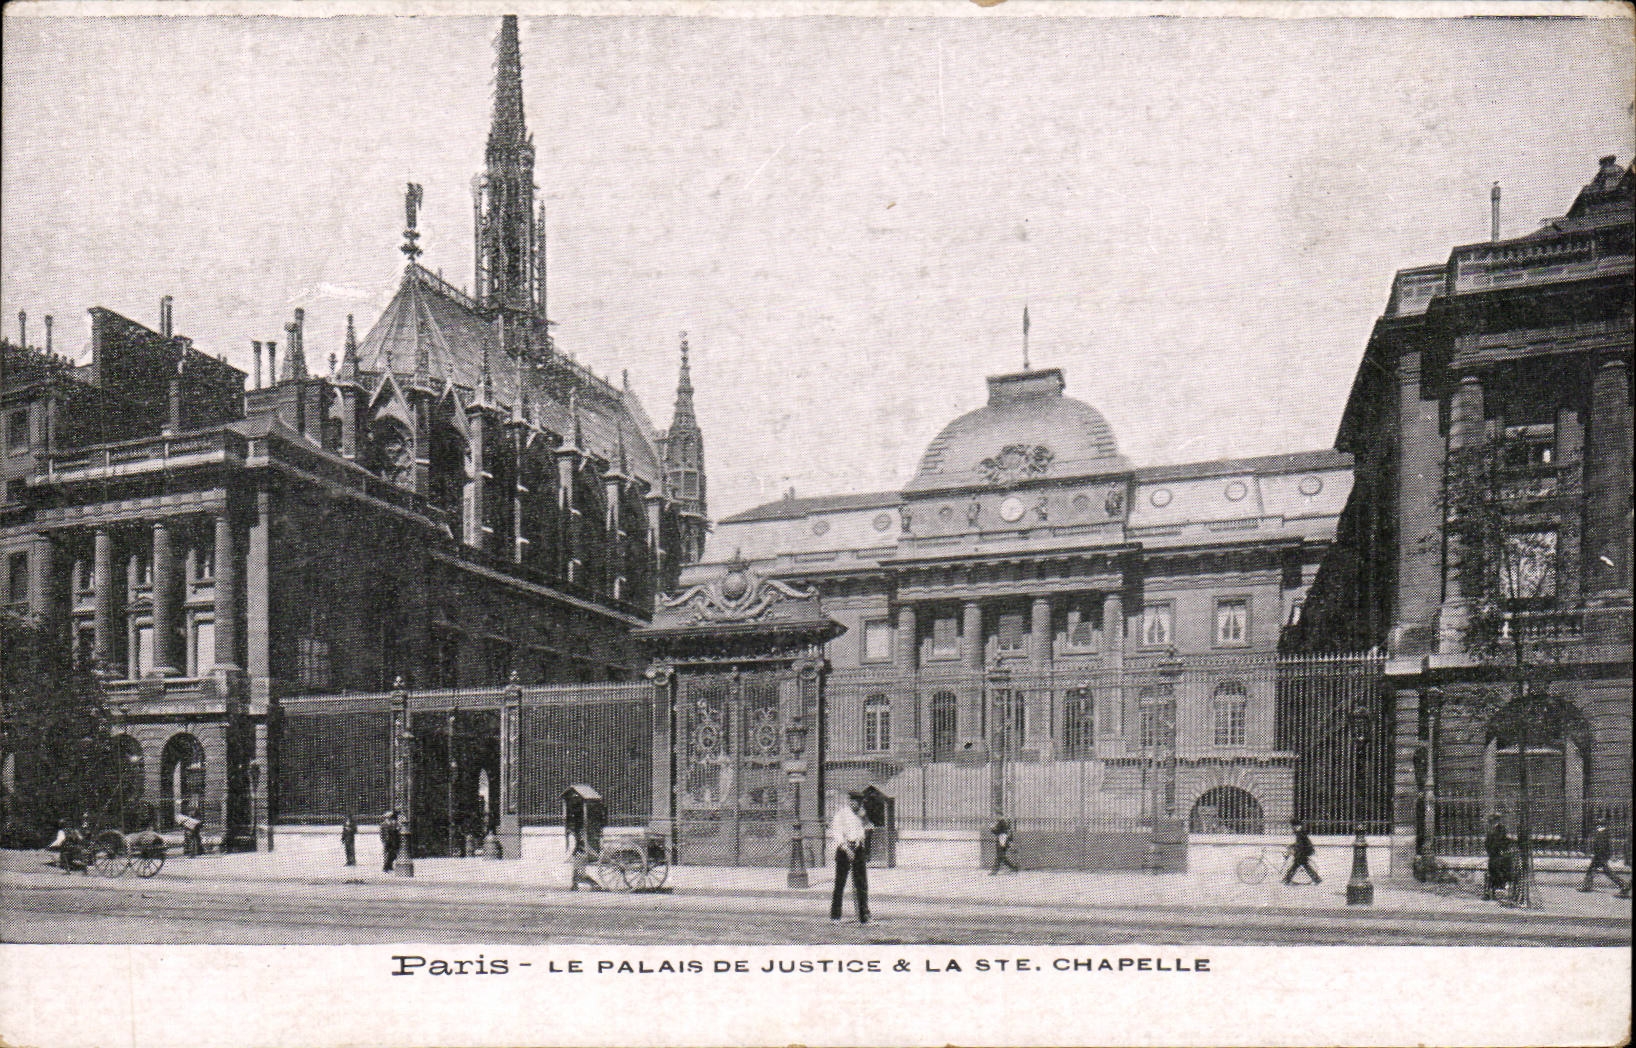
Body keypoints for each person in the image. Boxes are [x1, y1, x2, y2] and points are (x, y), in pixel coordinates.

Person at [829, 791, 871, 923]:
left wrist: (864, 819)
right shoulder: (842, 814)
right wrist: (847, 849)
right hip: (843, 850)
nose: (855, 804)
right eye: (853, 801)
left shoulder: (860, 815)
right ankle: (835, 916)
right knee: (840, 883)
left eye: (858, 802)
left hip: (857, 849)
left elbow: (868, 830)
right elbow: (836, 833)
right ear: (849, 801)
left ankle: (863, 915)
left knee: (862, 883)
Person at [1578, 822, 1630, 898]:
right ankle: (1587, 886)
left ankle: (1623, 885)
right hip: (1600, 855)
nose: (1596, 827)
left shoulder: (1603, 833)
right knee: (1591, 870)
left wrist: (1601, 855)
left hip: (1601, 855)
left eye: (1598, 825)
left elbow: (1602, 845)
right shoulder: (1603, 832)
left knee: (1607, 872)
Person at [1283, 820, 1321, 885]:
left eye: (1296, 826)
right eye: (1294, 826)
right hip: (1303, 852)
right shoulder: (1300, 833)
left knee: (1296, 866)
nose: (1294, 827)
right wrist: (1293, 846)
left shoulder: (1300, 833)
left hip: (1304, 852)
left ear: (1299, 826)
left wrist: (1295, 848)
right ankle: (1317, 879)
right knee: (1301, 866)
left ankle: (1287, 879)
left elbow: (1301, 844)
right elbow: (1299, 843)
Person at [1484, 816, 1513, 902]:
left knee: (1497, 871)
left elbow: (1501, 841)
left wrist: (1497, 850)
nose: (1491, 823)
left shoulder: (1501, 829)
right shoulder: (1491, 830)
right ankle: (1490, 892)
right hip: (1493, 855)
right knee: (1491, 871)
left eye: (1492, 821)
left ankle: (1495, 889)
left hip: (1500, 855)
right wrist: (1490, 850)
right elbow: (1487, 842)